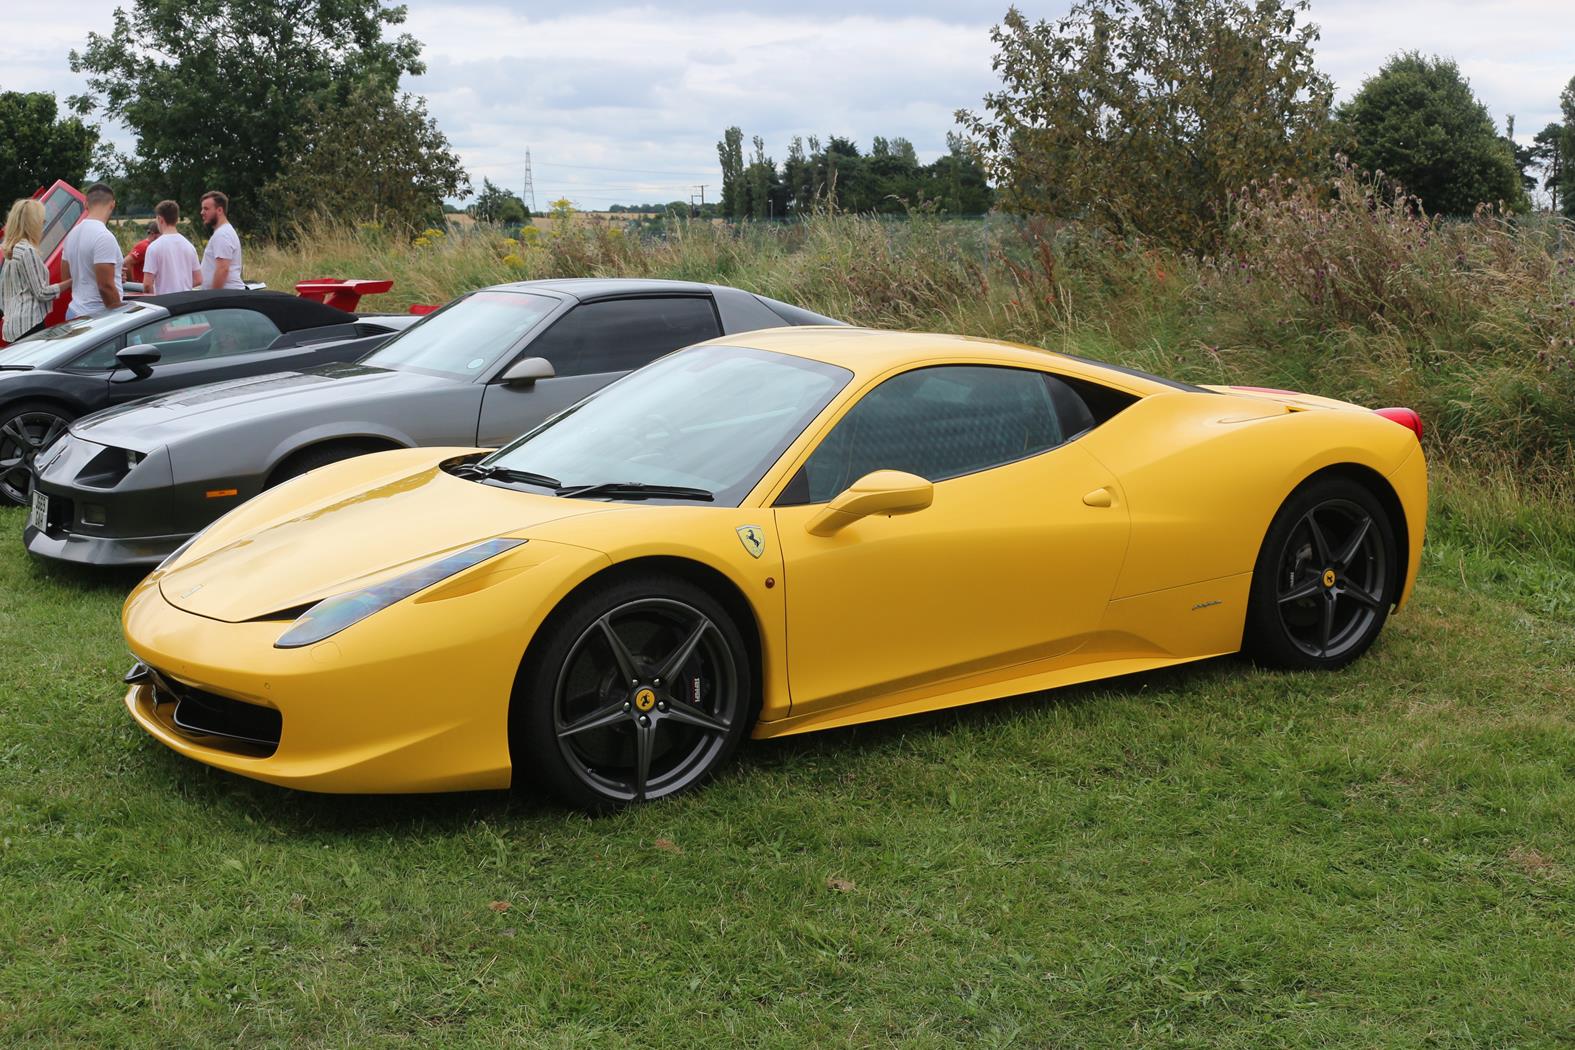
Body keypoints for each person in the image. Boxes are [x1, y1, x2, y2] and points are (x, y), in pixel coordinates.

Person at [1, 198, 72, 341]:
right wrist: (72, 281)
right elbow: (42, 293)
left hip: (12, 325)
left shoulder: (10, 249)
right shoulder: (27, 251)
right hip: (29, 324)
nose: (42, 225)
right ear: (32, 223)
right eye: (41, 221)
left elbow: (3, 293)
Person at [60, 182, 123, 318]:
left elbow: (66, 277)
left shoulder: (71, 234)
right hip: (96, 317)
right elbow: (105, 286)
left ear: (85, 204)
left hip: (73, 312)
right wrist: (119, 316)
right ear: (112, 204)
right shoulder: (104, 236)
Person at [140, 200, 201, 295]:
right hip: (186, 303)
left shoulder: (154, 247)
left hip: (165, 303)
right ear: (176, 219)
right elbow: (199, 279)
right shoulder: (189, 246)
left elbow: (147, 285)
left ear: (160, 219)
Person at [199, 190, 243, 289]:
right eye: (202, 209)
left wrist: (213, 298)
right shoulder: (223, 232)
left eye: (206, 209)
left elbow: (223, 269)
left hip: (225, 297)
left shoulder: (222, 234)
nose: (202, 212)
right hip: (225, 295)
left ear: (219, 210)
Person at [123, 221, 159, 287]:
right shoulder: (144, 247)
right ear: (153, 234)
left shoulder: (151, 246)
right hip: (139, 288)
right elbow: (126, 262)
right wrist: (133, 284)